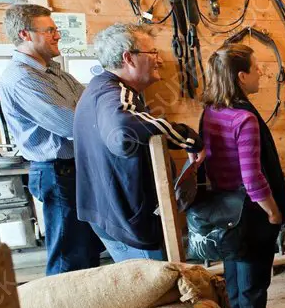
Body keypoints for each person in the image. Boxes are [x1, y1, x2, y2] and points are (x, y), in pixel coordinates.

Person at [74, 23, 203, 262]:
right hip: (126, 219)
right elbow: (123, 132)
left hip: (111, 214)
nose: (159, 60)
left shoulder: (101, 88)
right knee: (157, 291)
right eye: (152, 53)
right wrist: (187, 137)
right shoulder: (113, 94)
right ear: (128, 58)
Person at [0, 5, 103, 275]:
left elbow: (89, 102)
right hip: (58, 173)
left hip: (73, 170)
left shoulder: (54, 71)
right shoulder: (22, 78)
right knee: (69, 256)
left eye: (56, 30)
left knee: (86, 248)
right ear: (25, 34)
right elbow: (71, 123)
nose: (58, 36)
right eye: (50, 30)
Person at [200, 43, 285, 308]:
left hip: (227, 213)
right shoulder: (244, 118)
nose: (261, 71)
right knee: (253, 291)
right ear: (241, 76)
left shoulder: (210, 111)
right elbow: (252, 178)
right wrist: (274, 212)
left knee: (235, 286)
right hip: (252, 216)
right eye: (256, 66)